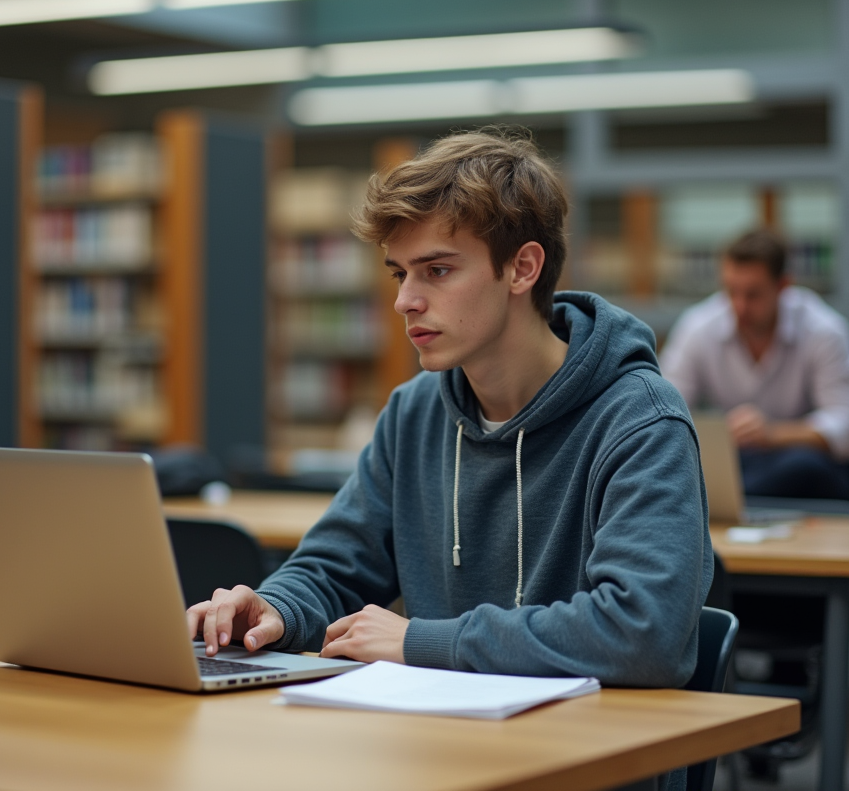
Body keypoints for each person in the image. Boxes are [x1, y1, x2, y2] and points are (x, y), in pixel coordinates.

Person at [189, 128, 711, 703]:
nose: (404, 300)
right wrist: (276, 609)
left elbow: (643, 632)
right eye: (399, 273)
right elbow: (336, 566)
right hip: (440, 741)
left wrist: (422, 642)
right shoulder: (414, 411)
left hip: (593, 751)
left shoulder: (640, 420)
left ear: (522, 269)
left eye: (436, 270)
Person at [660, 229, 849, 501]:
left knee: (805, 467)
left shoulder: (823, 331)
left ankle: (722, 499)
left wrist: (773, 434)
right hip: (735, 463)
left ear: (783, 286)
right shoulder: (698, 327)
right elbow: (663, 411)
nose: (740, 307)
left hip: (798, 470)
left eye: (753, 294)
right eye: (731, 291)